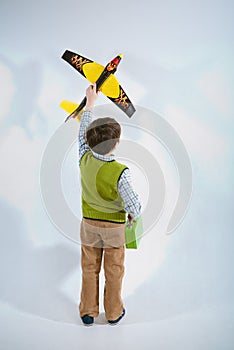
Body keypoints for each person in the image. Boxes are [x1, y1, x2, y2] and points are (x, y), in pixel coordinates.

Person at [78, 83, 141, 326]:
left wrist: (89, 104)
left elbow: (82, 135)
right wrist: (133, 216)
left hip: (88, 226)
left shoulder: (83, 158)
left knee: (89, 267)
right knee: (114, 271)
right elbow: (134, 205)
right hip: (114, 230)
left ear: (89, 142)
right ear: (115, 145)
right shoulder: (120, 172)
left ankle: (87, 311)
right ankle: (113, 313)